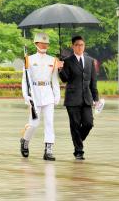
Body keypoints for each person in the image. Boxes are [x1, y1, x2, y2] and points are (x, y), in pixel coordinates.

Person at [20, 32, 60, 161]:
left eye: (46, 43)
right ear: (36, 44)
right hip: (35, 93)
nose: (44, 45)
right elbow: (25, 80)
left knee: (49, 122)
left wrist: (57, 95)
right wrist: (26, 95)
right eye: (42, 43)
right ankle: (25, 140)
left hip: (48, 93)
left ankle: (48, 150)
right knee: (34, 123)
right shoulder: (29, 59)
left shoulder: (53, 60)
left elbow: (54, 79)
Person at [57, 35, 99, 160]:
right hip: (72, 99)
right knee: (74, 125)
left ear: (84, 46)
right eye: (77, 45)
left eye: (81, 45)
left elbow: (93, 82)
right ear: (73, 46)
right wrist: (60, 68)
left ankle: (77, 139)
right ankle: (79, 151)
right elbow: (65, 79)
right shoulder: (68, 61)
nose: (79, 47)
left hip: (86, 98)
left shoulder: (90, 61)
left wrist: (96, 98)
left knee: (88, 123)